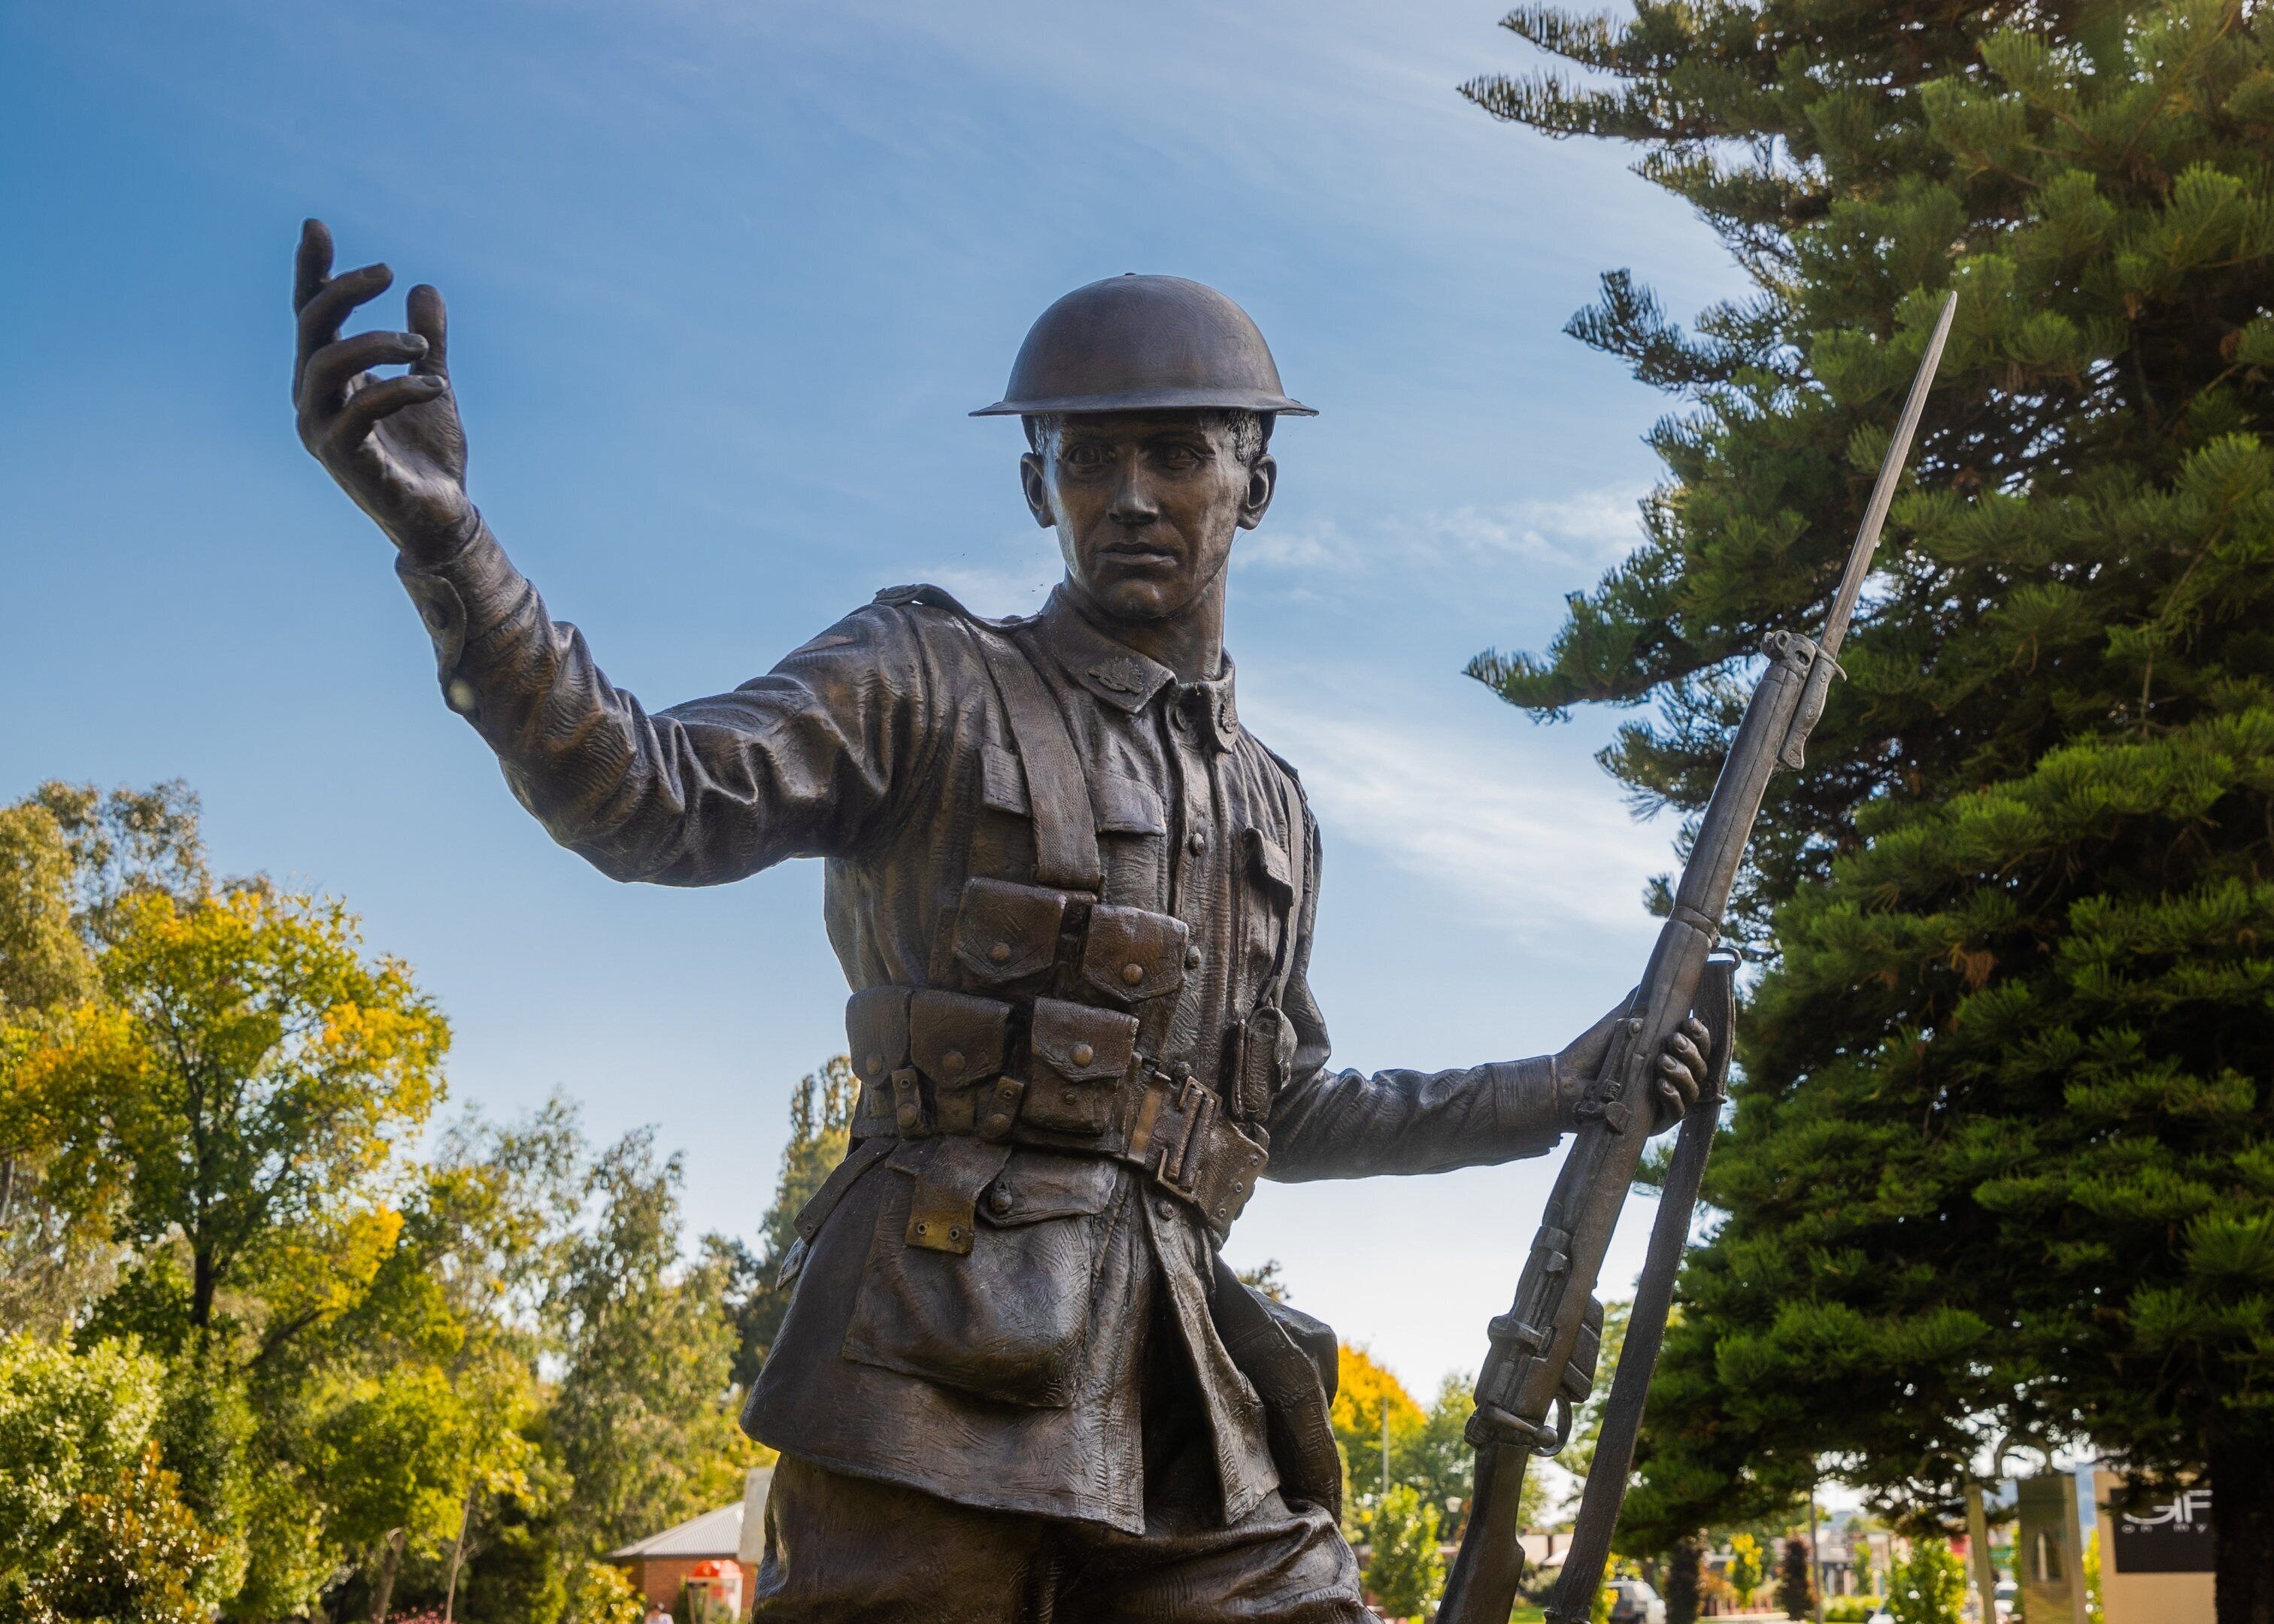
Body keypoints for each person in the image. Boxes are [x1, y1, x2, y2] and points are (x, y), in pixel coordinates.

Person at [290, 223, 1709, 1624]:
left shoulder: (1276, 811)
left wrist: (1562, 1091)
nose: (1132, 494)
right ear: (1038, 487)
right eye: (1088, 458)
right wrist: (451, 545)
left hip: (1182, 1414)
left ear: (1255, 483)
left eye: (1178, 453)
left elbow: (1281, 1107)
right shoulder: (926, 682)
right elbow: (649, 797)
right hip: (925, 1385)